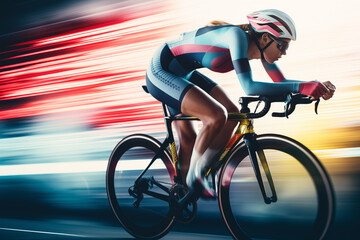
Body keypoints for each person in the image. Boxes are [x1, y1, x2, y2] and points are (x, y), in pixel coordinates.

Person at [145, 9, 336, 198]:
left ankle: (185, 188)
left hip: (182, 72)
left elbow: (282, 82)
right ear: (264, 39)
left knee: (230, 114)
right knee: (216, 115)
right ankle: (196, 177)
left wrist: (315, 86)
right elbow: (249, 87)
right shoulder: (236, 36)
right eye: (282, 46)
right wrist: (302, 87)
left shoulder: (261, 51)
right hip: (161, 69)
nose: (284, 53)